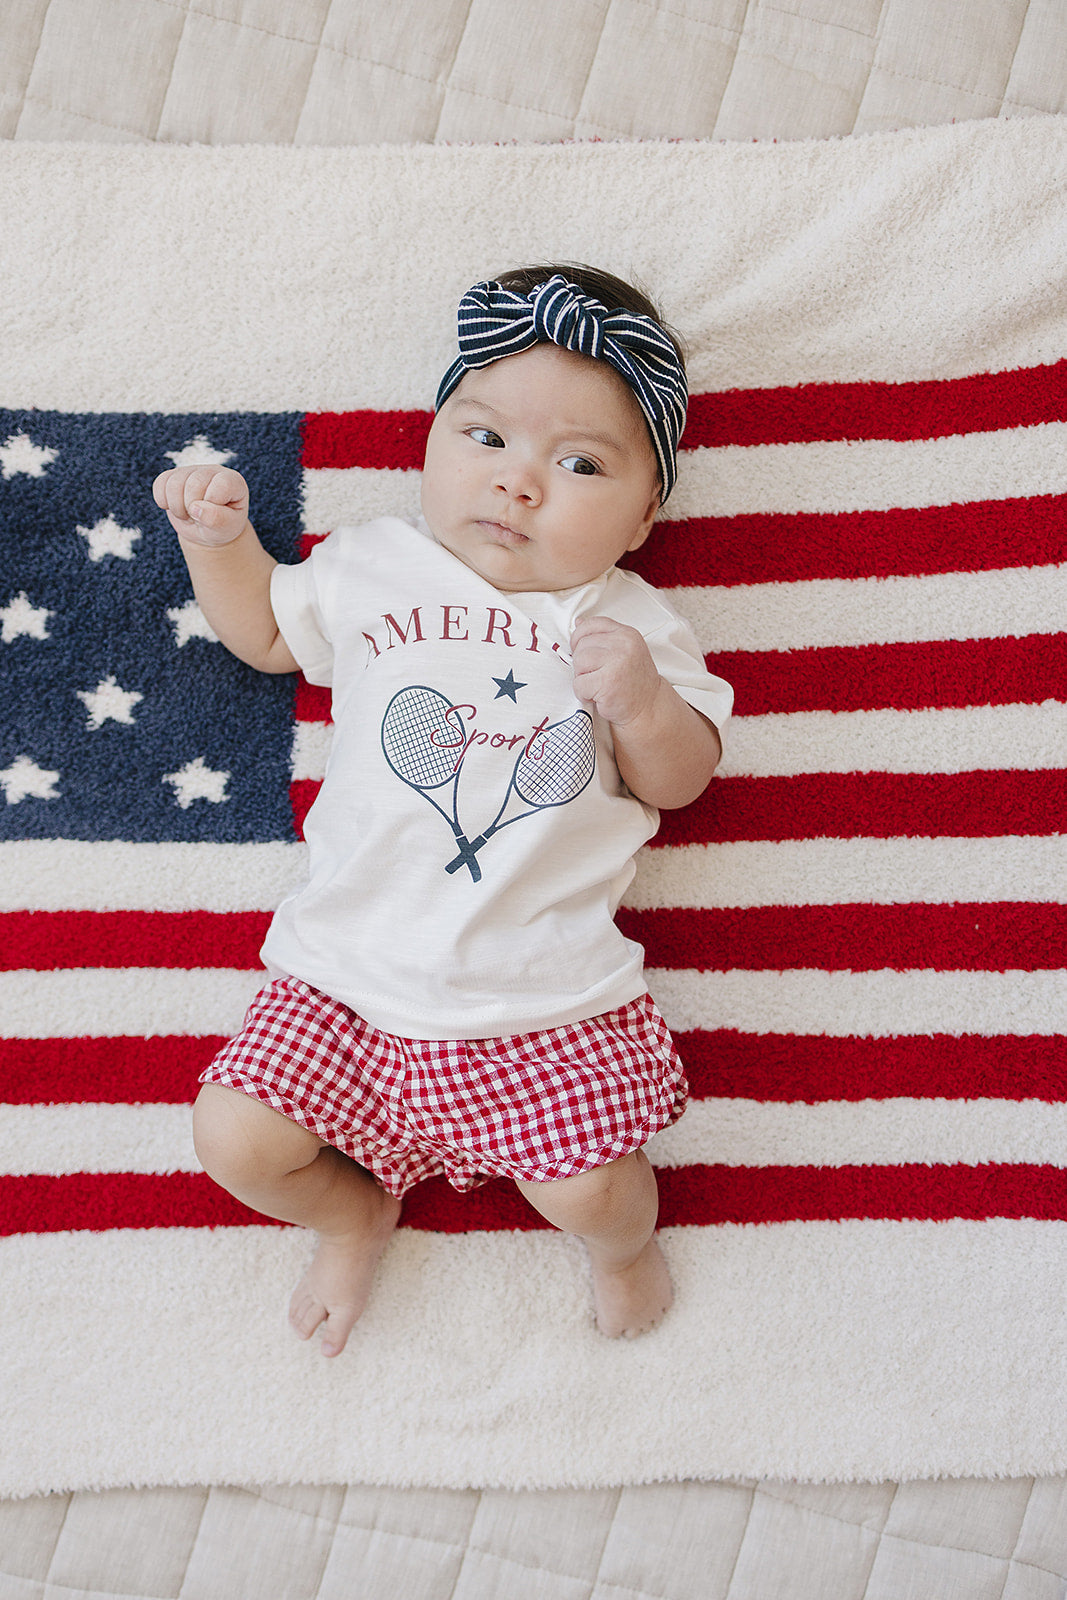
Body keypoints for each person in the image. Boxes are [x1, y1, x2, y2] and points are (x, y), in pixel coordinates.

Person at [153, 264, 733, 1357]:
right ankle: (351, 1214)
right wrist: (218, 545)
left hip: (542, 1006)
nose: (517, 483)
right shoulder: (376, 565)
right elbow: (267, 632)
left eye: (578, 464)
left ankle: (622, 1252)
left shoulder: (629, 623)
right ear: (429, 441)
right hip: (343, 986)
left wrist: (643, 704)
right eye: (484, 437)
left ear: (644, 514)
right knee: (234, 1139)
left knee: (594, 1190)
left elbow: (680, 778)